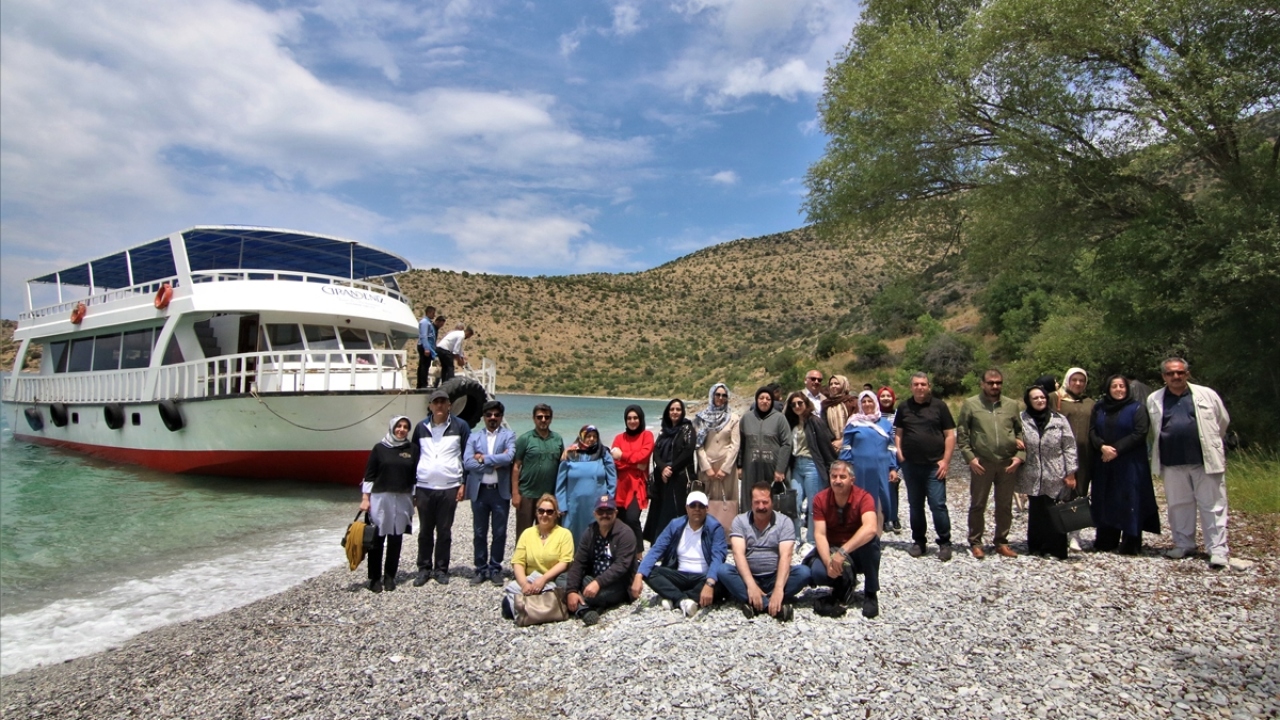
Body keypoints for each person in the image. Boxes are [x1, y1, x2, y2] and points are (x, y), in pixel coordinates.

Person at [1146, 358, 1232, 568]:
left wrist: (1210, 442)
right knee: (1178, 505)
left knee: (1212, 506)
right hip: (1172, 461)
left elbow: (1222, 421)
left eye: (1180, 373)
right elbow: (1153, 428)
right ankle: (1184, 544)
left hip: (1205, 460)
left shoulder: (1206, 394)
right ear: (1163, 376)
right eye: (1170, 373)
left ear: (1187, 373)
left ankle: (1217, 550)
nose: (1176, 377)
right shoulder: (1154, 399)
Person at [957, 369, 1026, 559]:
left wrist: (1019, 456)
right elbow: (962, 434)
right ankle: (976, 542)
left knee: (1004, 506)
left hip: (1007, 464)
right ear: (982, 384)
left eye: (998, 383)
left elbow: (1020, 433)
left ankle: (1001, 542)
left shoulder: (1011, 405)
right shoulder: (971, 404)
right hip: (982, 463)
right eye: (991, 382)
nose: (995, 386)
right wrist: (970, 458)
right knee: (978, 504)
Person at [719, 482, 811, 620]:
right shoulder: (740, 521)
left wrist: (779, 589)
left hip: (775, 576)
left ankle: (755, 603)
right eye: (757, 502)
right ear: (751, 503)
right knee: (723, 570)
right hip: (749, 576)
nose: (761, 507)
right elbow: (738, 554)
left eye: (765, 502)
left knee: (804, 572)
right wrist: (751, 585)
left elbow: (786, 555)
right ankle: (770, 605)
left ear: (772, 502)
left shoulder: (784, 522)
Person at [1089, 375, 1159, 555]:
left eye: (1122, 386)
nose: (1118, 389)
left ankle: (1130, 542)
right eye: (1114, 386)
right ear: (1108, 388)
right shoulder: (1099, 407)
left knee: (1130, 499)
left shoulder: (1137, 408)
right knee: (1106, 498)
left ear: (1127, 389)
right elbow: (1092, 431)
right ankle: (1107, 539)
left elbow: (1140, 433)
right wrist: (1102, 447)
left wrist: (1116, 450)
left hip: (1130, 461)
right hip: (1104, 461)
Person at [631, 491, 728, 617]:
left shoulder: (715, 528)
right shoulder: (675, 525)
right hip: (679, 574)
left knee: (720, 581)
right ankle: (684, 600)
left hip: (703, 577)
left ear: (707, 509)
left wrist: (709, 583)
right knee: (648, 571)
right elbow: (656, 550)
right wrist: (638, 576)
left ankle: (673, 597)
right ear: (686, 508)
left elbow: (718, 557)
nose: (697, 509)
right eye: (693, 506)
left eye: (701, 506)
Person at [804, 461, 881, 618]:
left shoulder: (864, 498)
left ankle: (871, 593)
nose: (837, 481)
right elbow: (819, 534)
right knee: (818, 573)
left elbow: (871, 527)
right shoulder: (820, 499)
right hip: (832, 548)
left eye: (842, 477)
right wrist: (828, 563)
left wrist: (842, 552)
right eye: (834, 476)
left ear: (852, 479)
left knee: (872, 542)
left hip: (855, 551)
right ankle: (842, 584)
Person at [894, 372, 956, 561]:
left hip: (934, 466)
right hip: (911, 466)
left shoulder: (940, 406)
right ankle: (919, 541)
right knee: (915, 505)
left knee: (937, 504)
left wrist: (945, 461)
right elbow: (898, 433)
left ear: (929, 386)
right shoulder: (904, 407)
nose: (919, 387)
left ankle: (944, 542)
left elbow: (950, 435)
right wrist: (899, 452)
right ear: (911, 386)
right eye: (916, 384)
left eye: (923, 384)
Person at [411, 389, 471, 586]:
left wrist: (463, 484)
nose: (439, 405)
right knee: (425, 530)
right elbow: (414, 457)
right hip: (424, 486)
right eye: (435, 402)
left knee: (444, 530)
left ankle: (441, 569)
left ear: (449, 405)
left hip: (449, 486)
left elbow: (467, 456)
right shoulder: (421, 427)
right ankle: (424, 568)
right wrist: (412, 487)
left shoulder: (460, 426)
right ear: (430, 406)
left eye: (442, 402)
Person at [1017, 387, 1078, 560]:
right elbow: (1012, 436)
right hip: (1033, 472)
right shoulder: (1022, 419)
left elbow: (1069, 446)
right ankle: (1037, 547)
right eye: (1035, 398)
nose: (1040, 400)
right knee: (1036, 510)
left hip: (1056, 472)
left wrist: (1071, 472)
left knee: (1055, 509)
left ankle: (1056, 548)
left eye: (1042, 397)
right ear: (1028, 401)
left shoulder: (1059, 420)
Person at [360, 415, 418, 592]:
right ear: (392, 428)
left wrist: (414, 498)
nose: (401, 429)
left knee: (396, 538)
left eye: (405, 427)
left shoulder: (413, 449)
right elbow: (369, 475)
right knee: (377, 538)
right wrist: (365, 499)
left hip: (402, 498)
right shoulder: (379, 448)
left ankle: (390, 576)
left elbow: (415, 476)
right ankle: (374, 578)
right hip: (380, 498)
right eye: (398, 426)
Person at [463, 400, 516, 584]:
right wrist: (493, 464)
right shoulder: (473, 437)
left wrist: (482, 459)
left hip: (500, 493)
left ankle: (495, 568)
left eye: (496, 415)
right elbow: (467, 462)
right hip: (480, 492)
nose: (492, 418)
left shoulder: (509, 435)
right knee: (479, 532)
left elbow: (509, 457)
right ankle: (480, 568)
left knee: (499, 532)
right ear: (484, 417)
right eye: (489, 415)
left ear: (501, 417)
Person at [565, 495, 638, 626]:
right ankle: (584, 609)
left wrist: (598, 583)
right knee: (563, 578)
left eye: (609, 511)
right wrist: (571, 591)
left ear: (615, 512)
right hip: (591, 580)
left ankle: (578, 604)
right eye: (601, 511)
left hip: (617, 584)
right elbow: (579, 562)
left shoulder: (625, 534)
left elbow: (621, 566)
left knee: (581, 590)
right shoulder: (590, 532)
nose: (605, 515)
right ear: (594, 513)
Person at [503, 494, 575, 621]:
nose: (545, 515)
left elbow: (565, 562)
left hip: (552, 581)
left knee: (562, 594)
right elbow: (518, 562)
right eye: (541, 511)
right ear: (536, 513)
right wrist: (524, 584)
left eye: (549, 512)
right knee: (506, 607)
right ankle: (540, 611)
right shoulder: (527, 533)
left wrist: (543, 579)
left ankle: (531, 611)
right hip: (530, 580)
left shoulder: (564, 534)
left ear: (556, 514)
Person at [839, 390, 895, 534]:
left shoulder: (885, 424)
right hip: (859, 469)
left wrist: (893, 467)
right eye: (864, 401)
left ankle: (875, 535)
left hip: (881, 469)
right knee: (859, 499)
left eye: (870, 401)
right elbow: (846, 446)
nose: (867, 404)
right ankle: (859, 533)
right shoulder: (854, 423)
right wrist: (846, 466)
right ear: (860, 404)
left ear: (875, 402)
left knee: (880, 500)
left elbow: (892, 446)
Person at [784, 391, 836, 543]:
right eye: (793, 404)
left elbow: (825, 444)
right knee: (794, 503)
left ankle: (813, 539)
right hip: (797, 466)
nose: (797, 406)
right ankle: (794, 537)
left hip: (811, 464)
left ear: (806, 403)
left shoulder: (815, 421)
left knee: (814, 505)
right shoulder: (791, 422)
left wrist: (831, 467)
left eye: (800, 403)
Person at [644, 399, 697, 545]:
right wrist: (662, 468)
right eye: (672, 409)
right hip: (662, 478)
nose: (675, 412)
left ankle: (676, 546)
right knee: (660, 512)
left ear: (682, 412)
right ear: (668, 412)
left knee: (675, 512)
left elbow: (687, 452)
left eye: (678, 409)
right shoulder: (664, 431)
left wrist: (671, 469)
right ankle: (660, 545)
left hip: (679, 478)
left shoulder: (687, 429)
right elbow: (656, 451)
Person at [1054, 368, 1094, 552]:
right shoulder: (1057, 400)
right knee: (1059, 494)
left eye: (1081, 380)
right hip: (1059, 455)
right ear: (1067, 381)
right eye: (1074, 380)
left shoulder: (1090, 403)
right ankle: (1055, 533)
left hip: (1084, 456)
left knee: (1078, 494)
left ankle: (1074, 535)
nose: (1078, 384)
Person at [557, 425, 617, 544]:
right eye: (588, 436)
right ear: (582, 436)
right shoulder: (571, 453)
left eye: (594, 436)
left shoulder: (603, 453)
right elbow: (560, 483)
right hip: (574, 506)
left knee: (596, 536)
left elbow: (612, 478)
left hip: (597, 505)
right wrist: (561, 505)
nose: (591, 439)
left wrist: (609, 500)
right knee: (571, 537)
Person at [512, 404, 564, 538]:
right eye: (539, 417)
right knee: (524, 534)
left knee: (548, 534)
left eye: (547, 417)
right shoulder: (525, 439)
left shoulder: (557, 439)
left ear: (551, 419)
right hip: (527, 494)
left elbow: (563, 465)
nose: (543, 420)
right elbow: (516, 467)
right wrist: (515, 494)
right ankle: (522, 559)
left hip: (549, 496)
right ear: (534, 419)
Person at [694, 383, 741, 531]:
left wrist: (725, 468)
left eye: (724, 395)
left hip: (726, 467)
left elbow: (735, 444)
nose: (720, 398)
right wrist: (706, 467)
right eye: (718, 394)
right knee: (705, 499)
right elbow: (698, 445)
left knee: (726, 501)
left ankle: (726, 532)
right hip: (706, 467)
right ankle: (703, 530)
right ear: (712, 395)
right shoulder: (701, 418)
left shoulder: (733, 418)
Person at [738, 387, 792, 513]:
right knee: (750, 499)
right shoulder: (746, 418)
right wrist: (739, 466)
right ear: (756, 400)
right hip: (751, 467)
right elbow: (741, 444)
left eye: (768, 398)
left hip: (772, 468)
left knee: (771, 501)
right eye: (761, 398)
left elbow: (787, 444)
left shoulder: (780, 419)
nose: (765, 401)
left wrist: (780, 469)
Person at [611, 405, 654, 552]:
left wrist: (623, 456)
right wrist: (635, 465)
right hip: (621, 486)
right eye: (629, 418)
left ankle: (638, 553)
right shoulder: (619, 438)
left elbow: (644, 456)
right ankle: (622, 552)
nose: (632, 421)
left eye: (635, 418)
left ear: (640, 419)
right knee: (620, 520)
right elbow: (615, 463)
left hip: (638, 486)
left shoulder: (647, 435)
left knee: (632, 519)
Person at [877, 386, 902, 532]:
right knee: (882, 486)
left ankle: (894, 517)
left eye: (888, 396)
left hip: (895, 453)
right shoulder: (875, 415)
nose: (886, 399)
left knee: (894, 485)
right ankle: (884, 517)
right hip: (881, 453)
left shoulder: (899, 414)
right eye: (882, 396)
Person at [822, 375, 853, 452]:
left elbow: (856, 423)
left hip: (851, 443)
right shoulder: (825, 404)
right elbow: (824, 426)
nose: (833, 386)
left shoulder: (852, 402)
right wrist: (834, 441)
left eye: (836, 383)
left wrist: (843, 440)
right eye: (831, 384)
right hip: (833, 446)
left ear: (843, 385)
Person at [416, 306, 437, 389]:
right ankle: (422, 384)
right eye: (433, 313)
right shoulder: (425, 322)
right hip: (425, 346)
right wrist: (426, 348)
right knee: (424, 366)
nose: (434, 315)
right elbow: (424, 336)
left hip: (427, 346)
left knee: (424, 365)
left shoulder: (428, 323)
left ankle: (421, 384)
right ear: (429, 312)